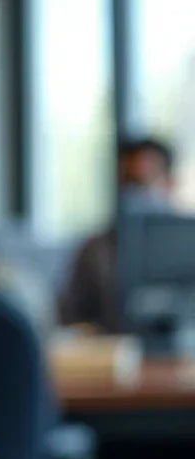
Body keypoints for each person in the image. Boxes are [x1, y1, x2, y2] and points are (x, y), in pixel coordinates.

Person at [58, 137, 176, 331]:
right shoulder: (95, 249)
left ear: (170, 183)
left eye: (145, 181)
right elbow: (70, 318)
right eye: (129, 182)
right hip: (113, 346)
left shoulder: (187, 243)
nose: (137, 192)